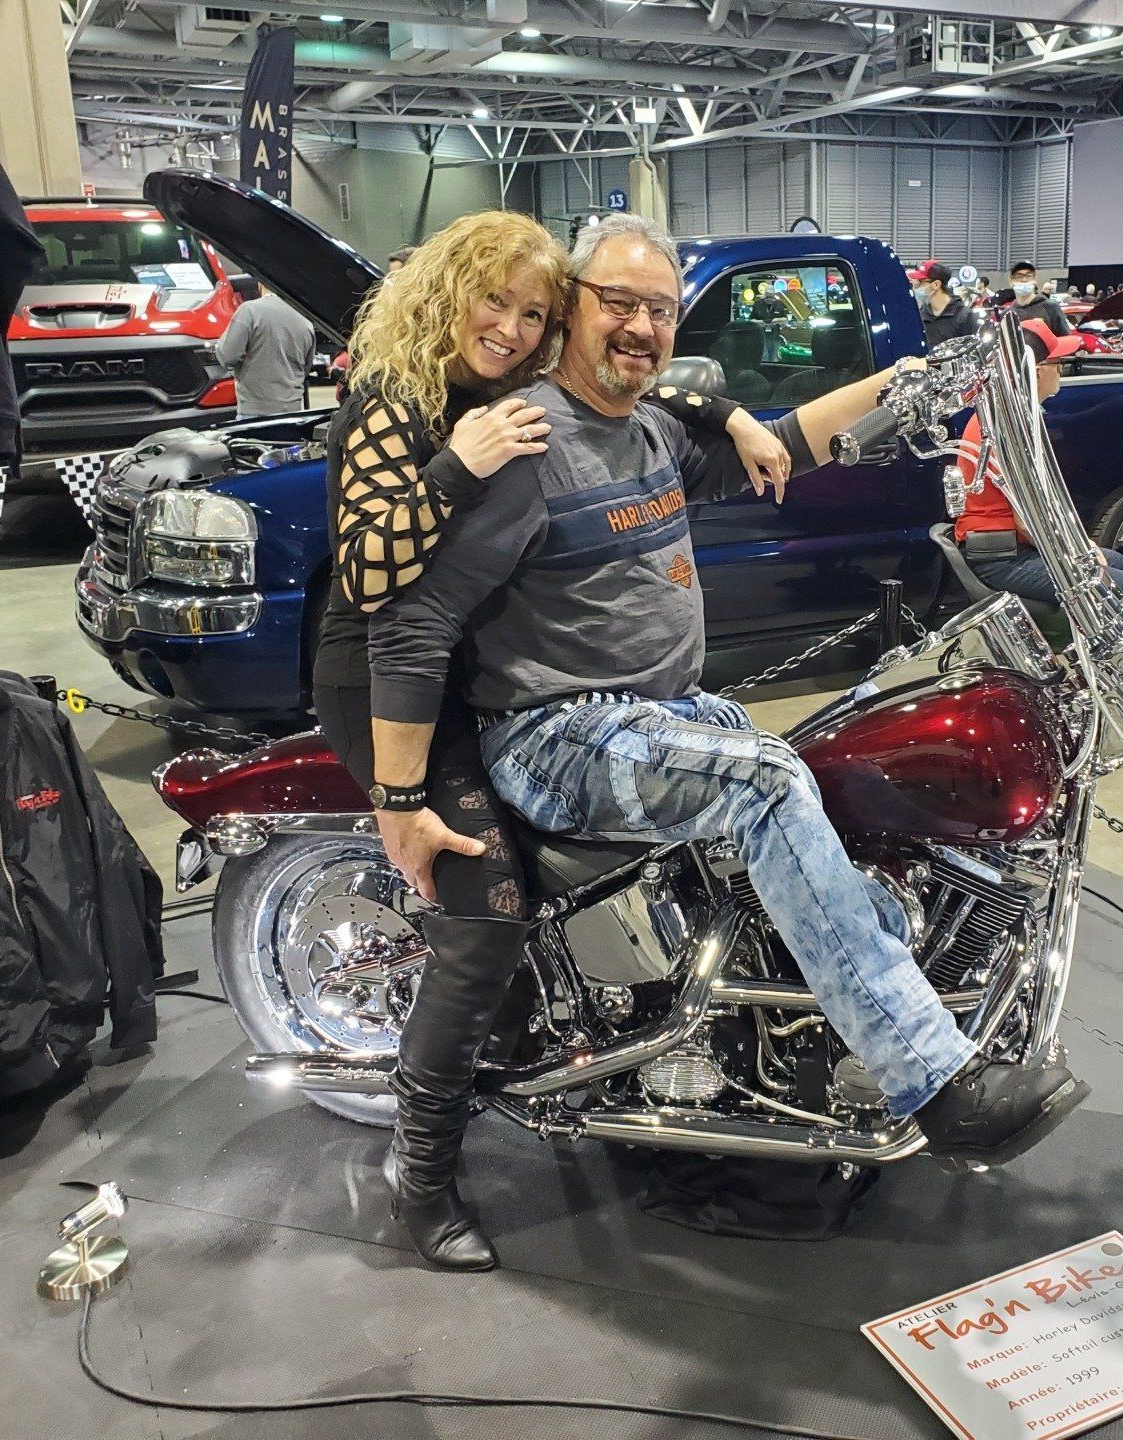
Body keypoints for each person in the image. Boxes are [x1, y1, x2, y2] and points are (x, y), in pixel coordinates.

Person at [366, 216, 1088, 1239]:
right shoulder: (526, 445)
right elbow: (414, 621)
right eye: (618, 303)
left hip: (657, 714)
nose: (640, 326)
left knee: (819, 762)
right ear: (571, 310)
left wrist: (913, 380)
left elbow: (794, 441)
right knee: (766, 782)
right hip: (554, 733)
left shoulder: (650, 430)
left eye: (660, 311)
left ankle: (838, 1006)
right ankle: (931, 1076)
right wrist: (397, 800)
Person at [315, 210, 785, 1271]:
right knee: (486, 910)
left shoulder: (511, 385)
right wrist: (398, 800)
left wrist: (735, 411)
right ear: (447, 293)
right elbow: (373, 581)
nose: (514, 328)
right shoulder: (395, 398)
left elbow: (648, 388)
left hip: (477, 662)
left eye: (535, 313)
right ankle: (419, 1175)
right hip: (387, 678)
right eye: (496, 302)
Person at [954, 319, 1123, 615]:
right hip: (1003, 557)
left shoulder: (1006, 414)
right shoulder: (1006, 427)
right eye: (1059, 363)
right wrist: (1078, 551)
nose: (1062, 370)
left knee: (1117, 562)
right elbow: (1028, 522)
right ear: (1037, 371)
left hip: (1008, 547)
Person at [214, 281, 316, 420]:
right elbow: (306, 367)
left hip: (255, 412)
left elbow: (228, 356)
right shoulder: (305, 320)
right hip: (295, 412)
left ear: (260, 284)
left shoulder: (249, 311)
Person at [911, 260, 978, 348]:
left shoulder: (965, 317)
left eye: (918, 284)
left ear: (936, 284)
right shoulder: (920, 316)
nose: (915, 289)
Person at [1007, 261, 1071, 335]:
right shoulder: (1008, 314)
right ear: (1011, 281)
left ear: (1035, 280)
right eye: (1019, 276)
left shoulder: (1050, 307)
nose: (1024, 280)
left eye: (1028, 276)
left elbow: (1064, 338)